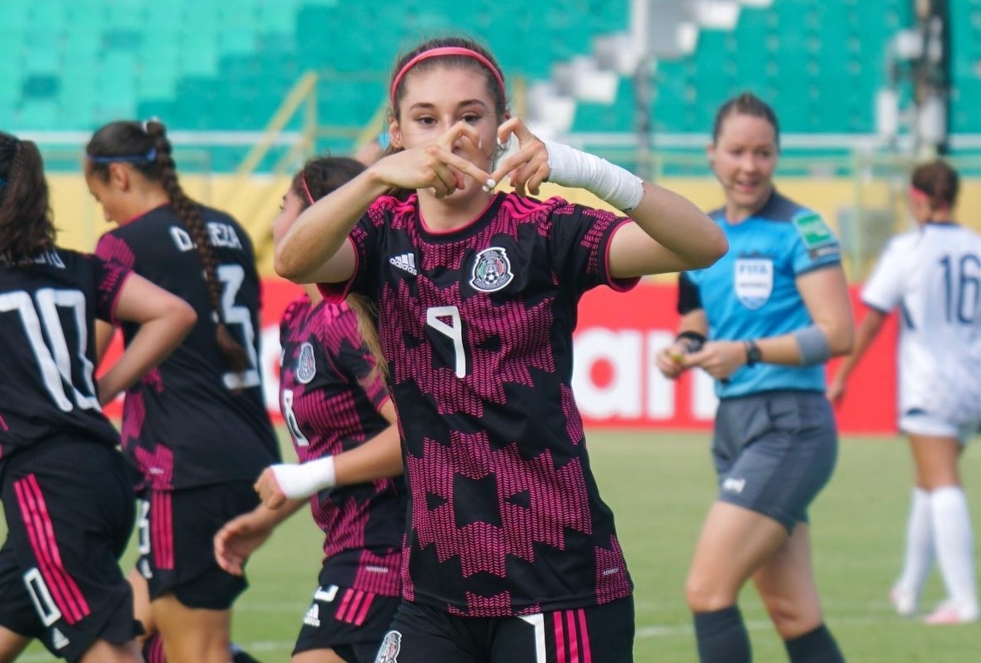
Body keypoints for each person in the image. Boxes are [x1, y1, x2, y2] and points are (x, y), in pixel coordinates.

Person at [272, 36, 727, 663]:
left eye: (470, 116)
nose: (450, 135)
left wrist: (582, 168)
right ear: (396, 132)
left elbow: (704, 246)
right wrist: (375, 177)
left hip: (556, 586)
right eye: (425, 119)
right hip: (433, 592)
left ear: (501, 126)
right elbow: (292, 260)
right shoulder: (380, 235)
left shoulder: (542, 228)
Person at [0, 129, 197, 663]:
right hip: (99, 477)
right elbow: (174, 312)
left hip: (44, 484)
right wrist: (101, 389)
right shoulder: (74, 264)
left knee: (107, 653)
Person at [653, 92, 853, 663]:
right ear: (712, 155)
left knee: (706, 590)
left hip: (790, 424)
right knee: (794, 613)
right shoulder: (700, 234)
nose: (749, 166)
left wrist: (747, 351)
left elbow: (838, 334)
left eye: (763, 153)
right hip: (735, 427)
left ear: (777, 156)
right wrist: (683, 349)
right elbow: (694, 318)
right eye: (737, 152)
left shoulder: (801, 228)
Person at [86, 120, 280, 663]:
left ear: (119, 176)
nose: (102, 209)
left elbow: (85, 353)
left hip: (182, 467)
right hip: (248, 454)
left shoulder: (122, 245)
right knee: (130, 636)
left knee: (195, 648)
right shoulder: (228, 230)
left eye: (98, 194)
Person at [214, 156, 408, 663]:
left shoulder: (344, 317)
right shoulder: (301, 316)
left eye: (285, 208)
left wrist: (307, 477)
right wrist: (266, 519)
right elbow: (338, 442)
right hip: (350, 548)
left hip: (388, 552)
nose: (276, 224)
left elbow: (415, 436)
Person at [828, 160, 981, 624]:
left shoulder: (906, 251)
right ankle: (909, 587)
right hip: (972, 385)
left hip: (927, 384)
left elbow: (874, 319)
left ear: (919, 200)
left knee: (941, 484)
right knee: (929, 480)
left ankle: (963, 600)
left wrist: (843, 375)